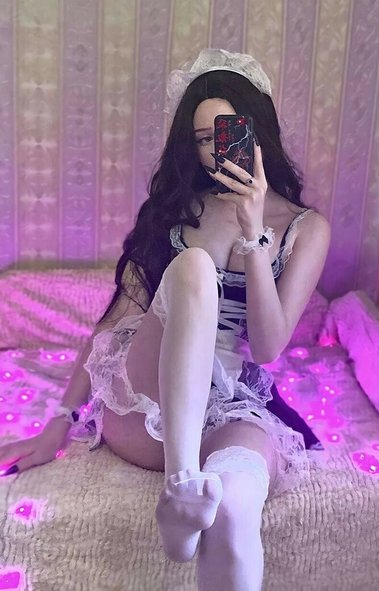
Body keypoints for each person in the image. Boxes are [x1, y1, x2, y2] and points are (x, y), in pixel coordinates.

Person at [0, 48, 330, 590]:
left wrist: (252, 233)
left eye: (226, 131)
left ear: (256, 130)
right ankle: (182, 486)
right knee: (194, 267)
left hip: (227, 404)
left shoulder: (305, 228)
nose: (215, 150)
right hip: (146, 402)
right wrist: (57, 423)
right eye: (201, 138)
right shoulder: (179, 211)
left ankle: (193, 504)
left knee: (234, 507)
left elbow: (268, 346)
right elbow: (112, 327)